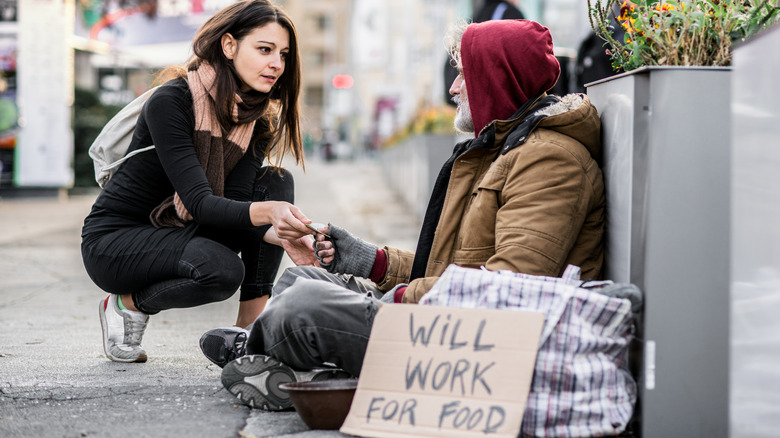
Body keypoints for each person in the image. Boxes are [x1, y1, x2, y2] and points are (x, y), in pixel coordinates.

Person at [202, 18, 606, 411]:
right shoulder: (505, 149)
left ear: (497, 78)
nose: (453, 88)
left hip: (476, 344)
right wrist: (371, 260)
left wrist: (397, 300)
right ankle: (303, 371)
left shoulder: (550, 160)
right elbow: (452, 269)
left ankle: (267, 356)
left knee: (302, 305)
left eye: (463, 74)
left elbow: (508, 288)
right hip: (450, 319)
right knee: (300, 279)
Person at [81, 0, 320, 364]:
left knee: (275, 181)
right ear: (229, 45)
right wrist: (271, 214)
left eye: (283, 55)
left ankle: (249, 330)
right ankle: (126, 305)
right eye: (265, 49)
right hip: (117, 241)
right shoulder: (171, 101)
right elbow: (200, 203)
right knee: (221, 270)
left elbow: (235, 203)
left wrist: (285, 234)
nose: (277, 64)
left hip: (184, 230)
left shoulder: (255, 121)